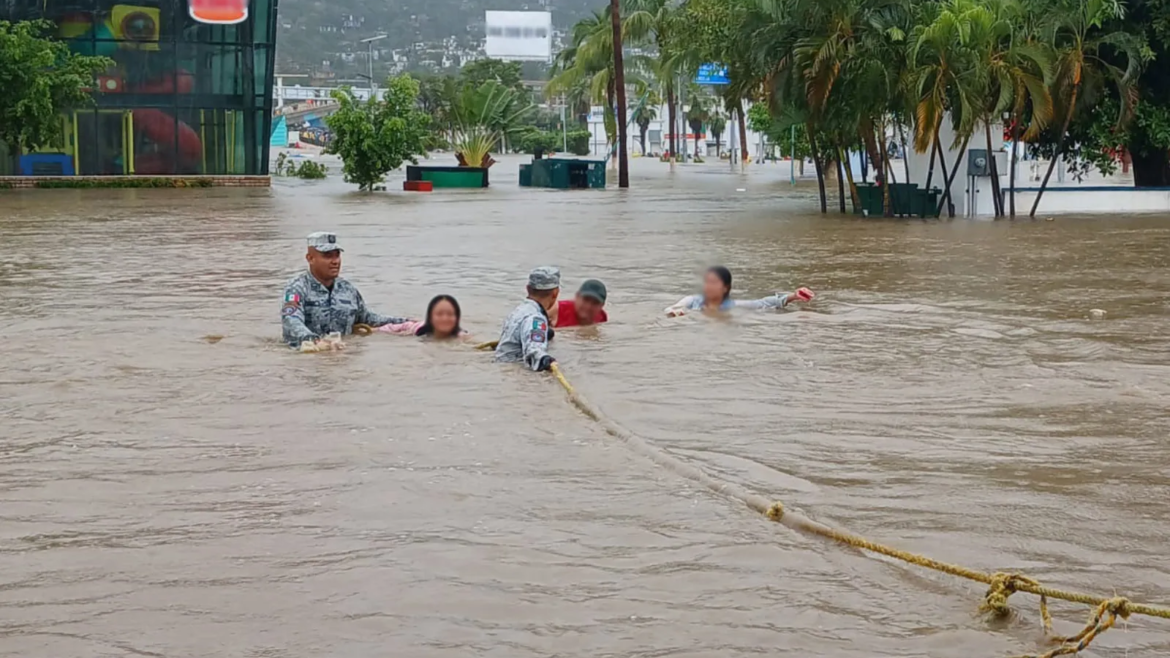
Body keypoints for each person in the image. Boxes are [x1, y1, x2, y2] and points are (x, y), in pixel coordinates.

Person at [281, 231, 408, 348]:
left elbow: (368, 318)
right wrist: (313, 341)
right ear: (310, 258)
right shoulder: (297, 288)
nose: (335, 261)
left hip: (343, 357)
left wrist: (405, 323)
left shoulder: (348, 290)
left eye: (337, 256)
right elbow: (291, 320)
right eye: (327, 256)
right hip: (310, 359)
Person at [665, 265, 814, 317]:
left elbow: (764, 303)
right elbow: (671, 309)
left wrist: (794, 296)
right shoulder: (693, 301)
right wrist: (678, 313)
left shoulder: (733, 306)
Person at [494, 266, 560, 372]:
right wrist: (546, 360)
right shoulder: (536, 318)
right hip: (513, 372)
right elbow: (534, 352)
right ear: (555, 293)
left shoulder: (518, 311)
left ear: (528, 289)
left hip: (500, 367)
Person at [375, 294, 468, 339]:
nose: (445, 319)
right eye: (439, 314)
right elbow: (390, 328)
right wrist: (374, 331)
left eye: (450, 314)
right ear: (430, 317)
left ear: (457, 318)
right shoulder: (417, 328)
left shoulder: (460, 336)